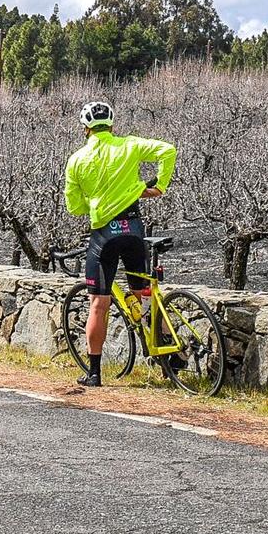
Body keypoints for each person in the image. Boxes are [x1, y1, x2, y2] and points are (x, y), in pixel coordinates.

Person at [63, 99, 175, 389]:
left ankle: (94, 373)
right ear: (111, 125)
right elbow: (167, 150)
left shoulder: (76, 160)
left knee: (99, 303)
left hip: (105, 235)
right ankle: (172, 352)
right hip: (134, 228)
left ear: (85, 128)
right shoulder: (130, 145)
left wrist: (95, 201)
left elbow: (74, 207)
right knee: (143, 293)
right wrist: (159, 185)